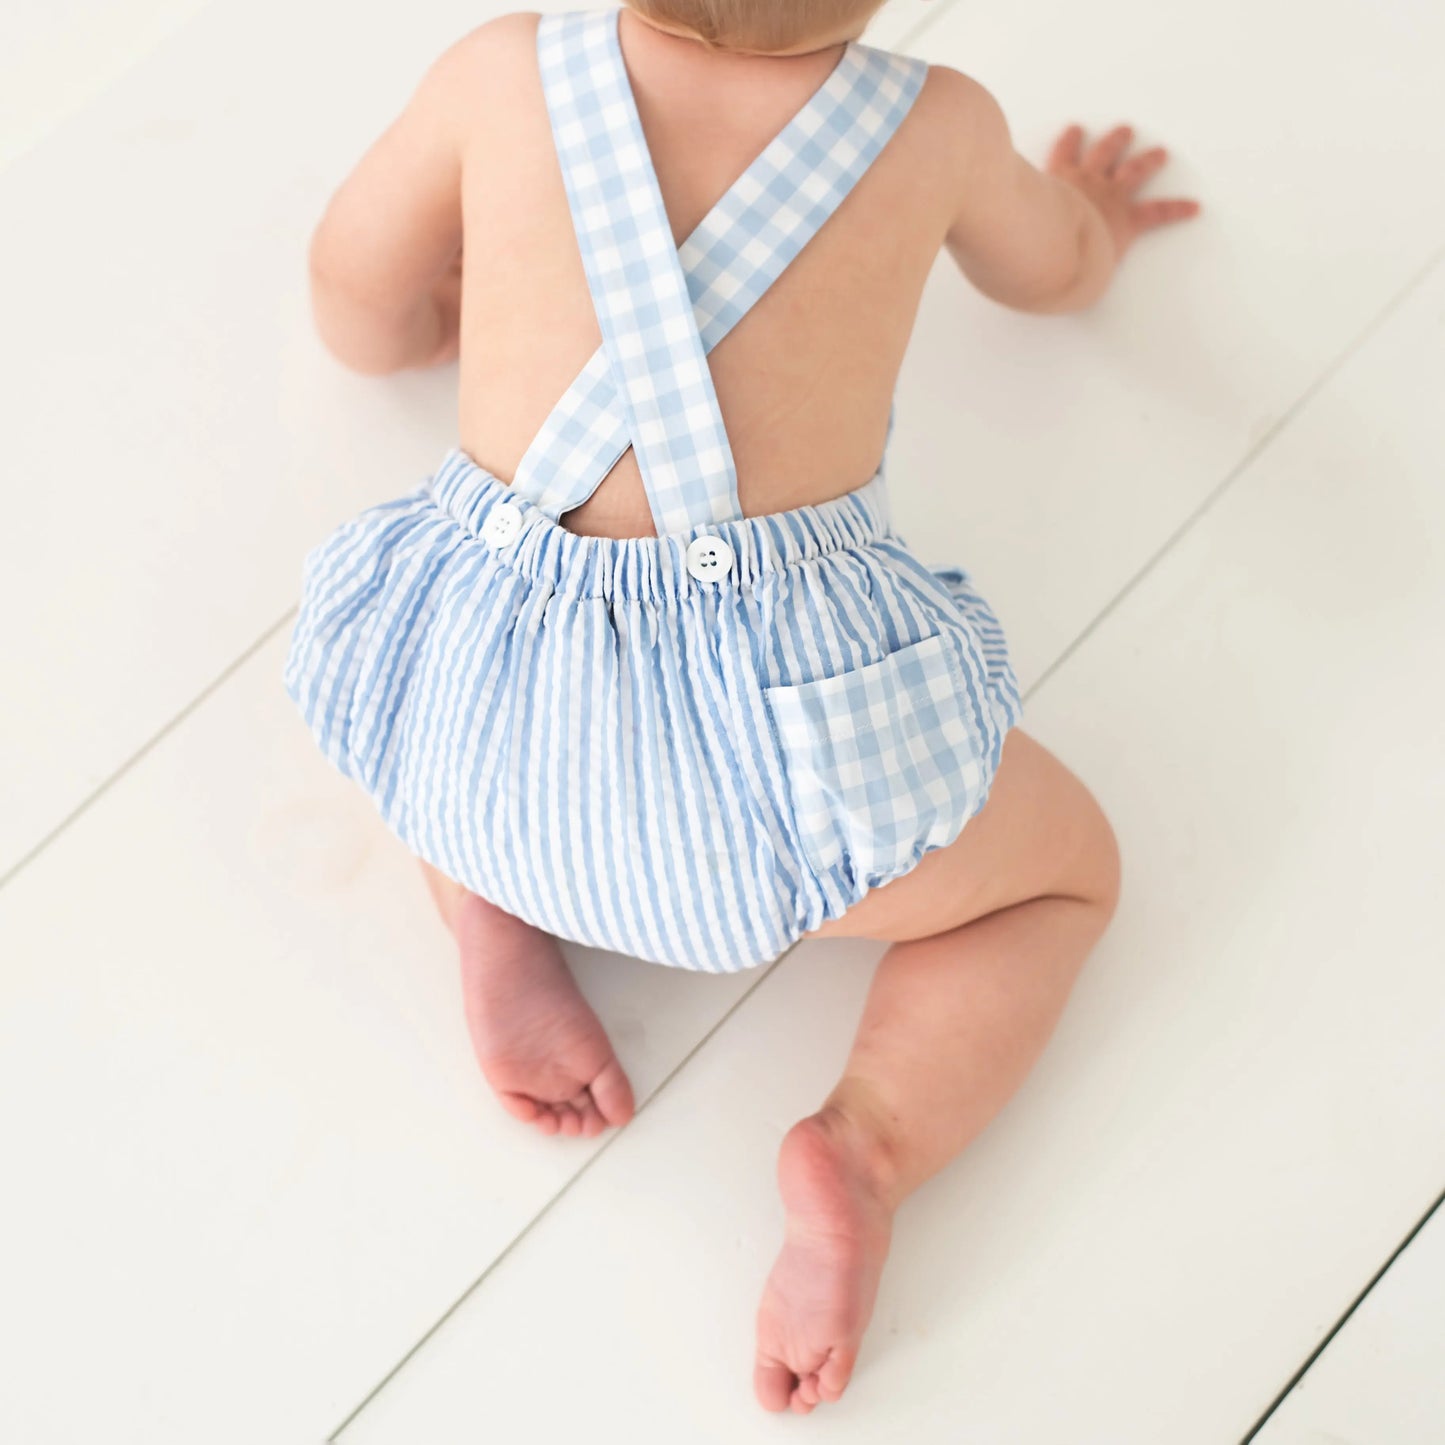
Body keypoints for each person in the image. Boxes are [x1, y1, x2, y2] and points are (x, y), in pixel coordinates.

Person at [289, 0, 1199, 1414]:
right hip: (756, 796)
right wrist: (1089, 218)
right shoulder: (934, 126)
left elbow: (352, 298)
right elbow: (1055, 272)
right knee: (1062, 872)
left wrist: (435, 327)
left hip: (478, 743)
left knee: (433, 705)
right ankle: (868, 1142)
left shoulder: (497, 75)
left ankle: (490, 908)